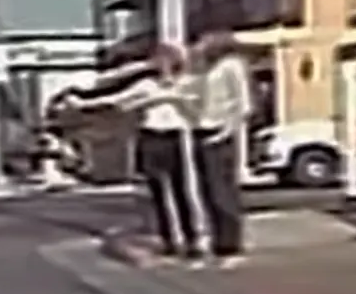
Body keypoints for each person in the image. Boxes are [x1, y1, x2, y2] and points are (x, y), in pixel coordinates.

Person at [60, 43, 200, 263]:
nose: (163, 66)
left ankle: (192, 240)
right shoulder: (146, 85)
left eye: (168, 62)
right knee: (158, 192)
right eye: (159, 62)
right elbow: (119, 99)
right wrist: (84, 103)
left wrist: (170, 98)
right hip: (150, 136)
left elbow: (194, 109)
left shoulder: (186, 85)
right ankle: (169, 239)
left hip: (174, 136)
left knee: (181, 189)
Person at [190, 30, 253, 267]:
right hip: (202, 129)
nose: (201, 45)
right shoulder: (204, 68)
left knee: (223, 192)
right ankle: (216, 242)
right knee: (205, 191)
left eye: (205, 41)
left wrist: (229, 130)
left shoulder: (232, 66)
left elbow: (242, 104)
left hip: (221, 132)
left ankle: (231, 246)